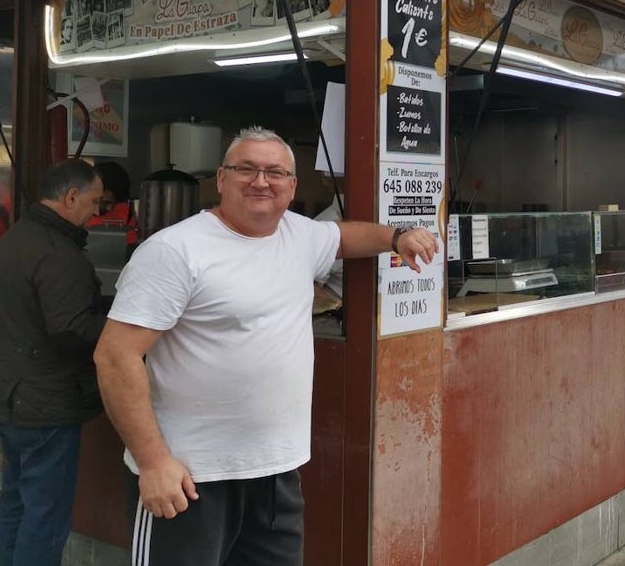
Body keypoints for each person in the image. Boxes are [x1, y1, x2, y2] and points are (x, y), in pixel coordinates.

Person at [93, 127, 438, 566]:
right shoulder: (175, 251)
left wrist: (397, 236)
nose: (261, 181)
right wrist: (153, 462)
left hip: (274, 473)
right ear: (220, 179)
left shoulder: (300, 235)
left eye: (275, 172)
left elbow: (346, 237)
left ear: (292, 186)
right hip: (189, 477)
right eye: (246, 169)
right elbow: (115, 355)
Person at [0, 159, 107, 566]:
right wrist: (126, 329)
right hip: (45, 406)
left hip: (8, 398)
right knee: (45, 519)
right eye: (94, 202)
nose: (97, 212)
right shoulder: (58, 253)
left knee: (17, 504)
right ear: (70, 197)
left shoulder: (15, 239)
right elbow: (72, 330)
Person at [86, 161, 138, 245]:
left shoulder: (125, 212)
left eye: (115, 204)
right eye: (105, 202)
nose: (109, 208)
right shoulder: (77, 213)